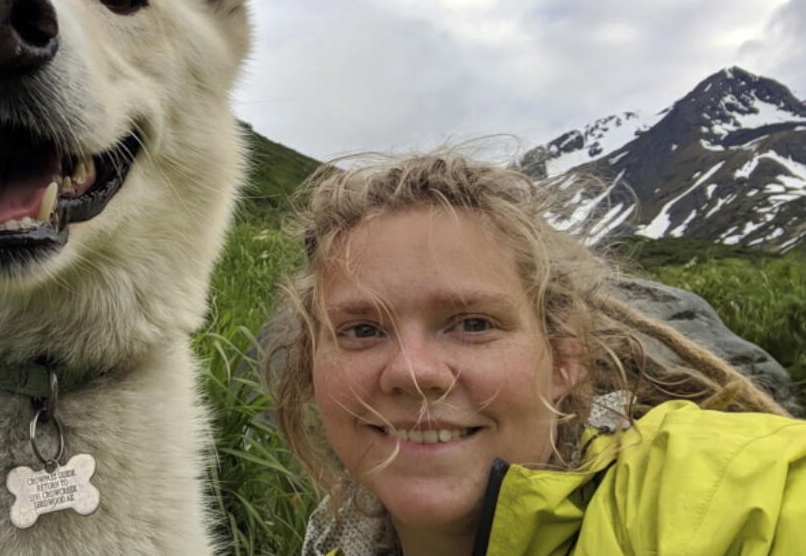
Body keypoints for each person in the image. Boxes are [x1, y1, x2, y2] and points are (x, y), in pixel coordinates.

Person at [263, 152, 806, 556]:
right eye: (361, 330)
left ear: (565, 357)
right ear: (312, 366)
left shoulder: (715, 487)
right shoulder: (330, 544)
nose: (413, 371)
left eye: (473, 324)